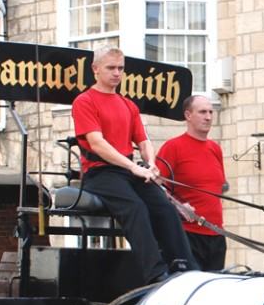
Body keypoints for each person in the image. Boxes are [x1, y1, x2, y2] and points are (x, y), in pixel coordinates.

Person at [71, 47, 198, 284]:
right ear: (95, 69)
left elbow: (143, 140)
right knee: (135, 208)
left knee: (164, 208)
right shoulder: (84, 101)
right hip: (100, 172)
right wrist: (132, 167)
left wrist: (150, 163)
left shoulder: (128, 104)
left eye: (120, 68)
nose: (117, 73)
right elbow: (97, 144)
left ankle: (183, 265)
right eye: (111, 68)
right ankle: (155, 273)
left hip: (129, 170)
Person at [158, 95, 227, 271]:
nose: (209, 117)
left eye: (211, 112)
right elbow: (155, 186)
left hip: (217, 234)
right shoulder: (172, 147)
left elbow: (218, 188)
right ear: (188, 115)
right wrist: (178, 206)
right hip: (187, 234)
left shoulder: (215, 149)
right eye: (202, 112)